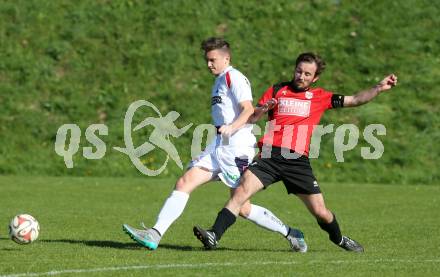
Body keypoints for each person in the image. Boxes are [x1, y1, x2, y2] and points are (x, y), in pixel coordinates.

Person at [193, 52, 398, 252]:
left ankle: (339, 238)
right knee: (240, 194)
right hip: (270, 156)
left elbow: (354, 99)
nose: (301, 76)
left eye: (307, 74)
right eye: (299, 71)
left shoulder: (320, 97)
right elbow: (253, 117)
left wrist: (379, 87)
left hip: (297, 161)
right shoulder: (277, 89)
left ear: (315, 77)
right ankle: (214, 235)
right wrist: (264, 109)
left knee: (321, 212)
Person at [122, 37, 307, 252]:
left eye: (213, 59)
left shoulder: (235, 78)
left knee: (242, 207)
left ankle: (291, 233)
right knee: (184, 183)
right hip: (220, 145)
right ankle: (155, 234)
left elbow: (247, 110)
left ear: (226, 58)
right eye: (207, 60)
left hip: (237, 148)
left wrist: (232, 127)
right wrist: (217, 141)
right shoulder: (219, 79)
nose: (209, 64)